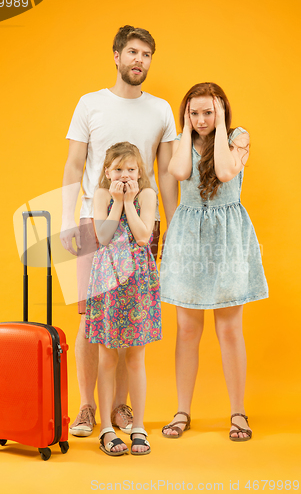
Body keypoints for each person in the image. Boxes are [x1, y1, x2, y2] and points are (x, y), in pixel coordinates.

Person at [60, 25, 177, 437]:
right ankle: (88, 407)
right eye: (131, 52)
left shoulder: (161, 109)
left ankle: (122, 409)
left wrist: (173, 221)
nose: (138, 60)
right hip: (96, 220)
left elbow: (163, 171)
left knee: (131, 314)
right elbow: (75, 165)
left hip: (142, 221)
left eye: (146, 54)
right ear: (116, 56)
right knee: (92, 314)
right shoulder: (90, 104)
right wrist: (66, 219)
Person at [160, 82, 268, 441]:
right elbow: (178, 172)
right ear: (186, 113)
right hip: (189, 237)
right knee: (188, 329)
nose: (201, 118)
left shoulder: (238, 137)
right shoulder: (182, 139)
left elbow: (224, 173)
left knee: (229, 329)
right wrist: (188, 131)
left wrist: (221, 126)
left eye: (209, 111)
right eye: (195, 112)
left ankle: (238, 413)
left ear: (221, 110)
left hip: (227, 237)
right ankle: (182, 411)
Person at [85, 142, 161, 456]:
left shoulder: (147, 196)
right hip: (107, 280)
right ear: (106, 172)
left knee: (135, 357)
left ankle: (139, 426)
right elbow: (103, 237)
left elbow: (144, 236)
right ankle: (105, 429)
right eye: (118, 169)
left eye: (130, 169)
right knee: (106, 357)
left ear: (139, 172)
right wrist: (117, 201)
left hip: (139, 280)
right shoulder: (102, 196)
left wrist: (130, 202)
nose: (125, 174)